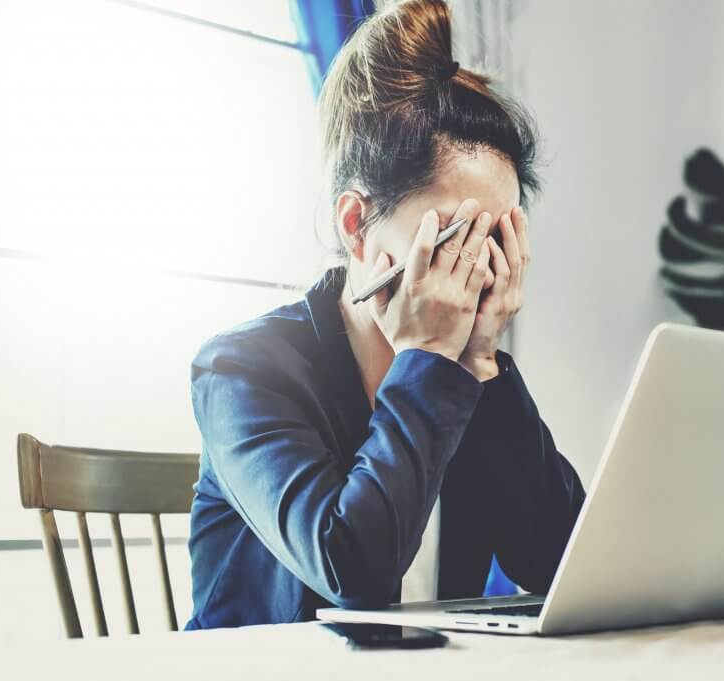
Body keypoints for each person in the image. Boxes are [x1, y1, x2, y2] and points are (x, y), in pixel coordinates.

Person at [185, 0, 585, 630]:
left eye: (499, 238)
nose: (479, 269)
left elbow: (561, 565)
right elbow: (355, 574)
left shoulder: (464, 369)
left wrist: (480, 364)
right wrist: (426, 360)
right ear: (357, 225)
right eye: (457, 237)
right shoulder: (243, 368)